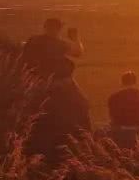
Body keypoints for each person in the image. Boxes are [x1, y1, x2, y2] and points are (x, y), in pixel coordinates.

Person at [22, 19, 90, 161]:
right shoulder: (59, 43)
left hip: (36, 83)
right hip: (60, 83)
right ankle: (85, 141)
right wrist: (76, 38)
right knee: (83, 104)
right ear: (58, 29)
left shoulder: (33, 41)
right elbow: (78, 52)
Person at [108, 71, 139, 144]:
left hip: (120, 127)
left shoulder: (113, 97)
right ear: (135, 81)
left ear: (122, 82)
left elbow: (111, 115)